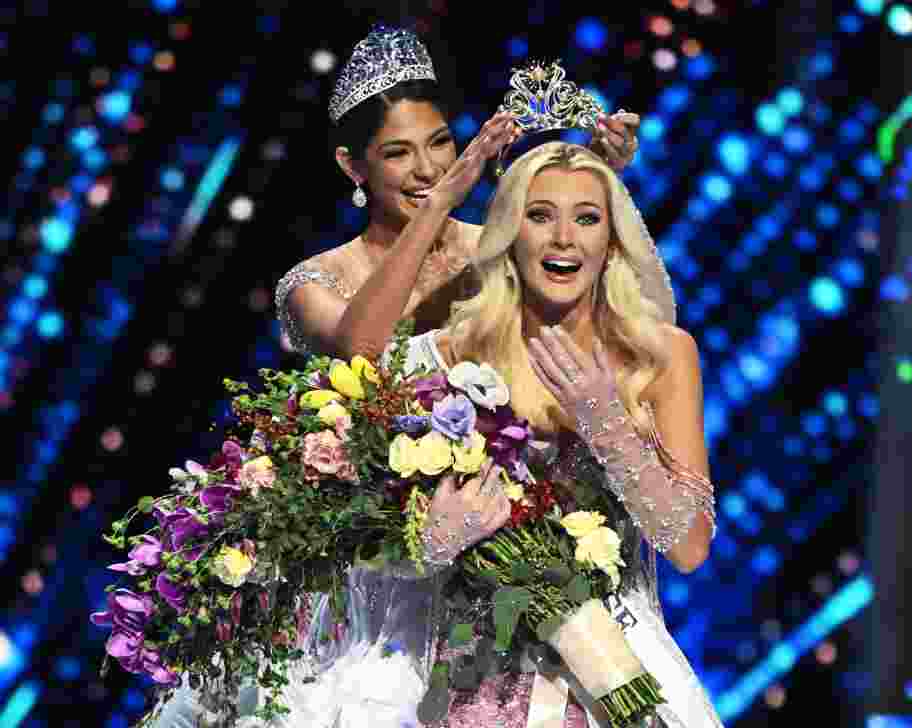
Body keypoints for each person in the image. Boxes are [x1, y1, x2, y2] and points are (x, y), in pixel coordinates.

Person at [268, 141, 721, 728]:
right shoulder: (439, 358)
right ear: (507, 235)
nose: (564, 238)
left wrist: (607, 423)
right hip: (457, 671)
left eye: (587, 218)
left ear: (611, 242)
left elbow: (688, 547)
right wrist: (429, 543)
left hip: (607, 662)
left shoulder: (660, 355)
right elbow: (348, 542)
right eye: (540, 216)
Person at [275, 25, 642, 361]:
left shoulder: (500, 248)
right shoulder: (313, 283)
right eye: (398, 153)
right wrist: (438, 203)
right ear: (352, 166)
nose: (427, 169)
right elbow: (361, 351)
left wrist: (597, 168)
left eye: (439, 143)